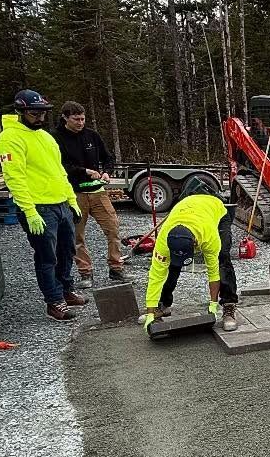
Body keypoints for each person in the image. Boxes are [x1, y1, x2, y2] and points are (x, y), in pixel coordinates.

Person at [0, 89, 86, 322]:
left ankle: (66, 291)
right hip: (39, 208)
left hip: (60, 203)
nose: (40, 118)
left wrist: (72, 201)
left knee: (67, 251)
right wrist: (29, 210)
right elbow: (14, 177)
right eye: (35, 114)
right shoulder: (10, 138)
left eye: (43, 113)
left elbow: (59, 172)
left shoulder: (46, 137)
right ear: (21, 111)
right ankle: (54, 301)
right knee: (47, 257)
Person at [141, 192, 240, 333]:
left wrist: (212, 305)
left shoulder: (209, 237)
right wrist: (150, 312)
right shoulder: (163, 242)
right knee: (170, 265)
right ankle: (161, 305)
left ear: (194, 243)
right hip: (185, 207)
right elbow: (155, 276)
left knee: (222, 257)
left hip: (215, 210)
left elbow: (213, 271)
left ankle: (229, 305)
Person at [53, 100, 126, 285]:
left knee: (113, 228)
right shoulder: (55, 138)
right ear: (65, 118)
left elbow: (108, 158)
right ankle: (86, 273)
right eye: (76, 119)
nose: (80, 123)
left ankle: (116, 269)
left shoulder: (92, 135)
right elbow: (61, 166)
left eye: (83, 119)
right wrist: (85, 171)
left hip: (98, 191)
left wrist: (107, 172)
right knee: (77, 235)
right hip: (74, 193)